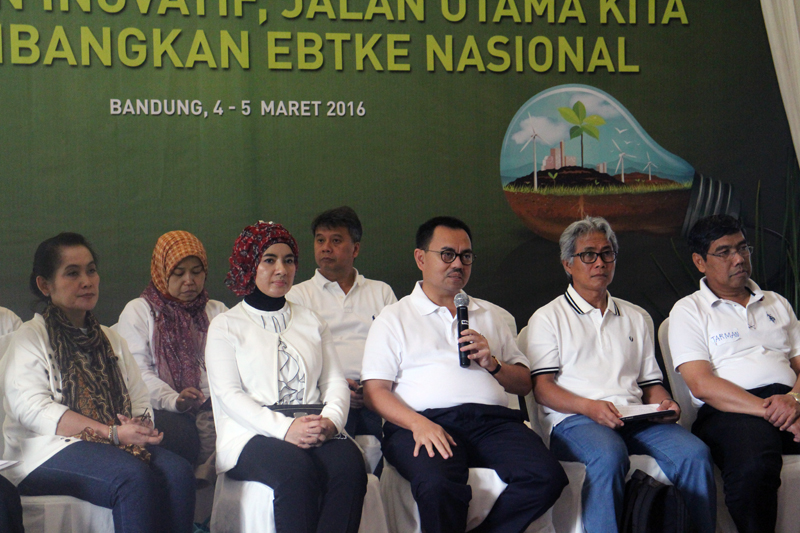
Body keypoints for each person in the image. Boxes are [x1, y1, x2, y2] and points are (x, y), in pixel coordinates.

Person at [362, 216, 567, 533]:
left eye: (465, 256)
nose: (458, 264)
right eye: (447, 254)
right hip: (424, 421)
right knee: (438, 484)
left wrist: (493, 363)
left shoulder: (492, 314)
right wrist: (418, 424)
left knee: (547, 476)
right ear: (421, 258)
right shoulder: (394, 317)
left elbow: (524, 383)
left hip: (493, 424)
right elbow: (375, 392)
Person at [524, 216, 716, 533]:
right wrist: (590, 407)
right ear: (568, 264)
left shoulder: (636, 317)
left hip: (636, 417)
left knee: (695, 454)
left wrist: (666, 404)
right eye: (588, 255)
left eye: (607, 253)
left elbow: (650, 384)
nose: (600, 262)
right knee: (609, 455)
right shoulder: (548, 318)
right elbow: (543, 389)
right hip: (575, 420)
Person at [2, 232, 195, 533]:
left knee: (178, 473)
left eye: (91, 270)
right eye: (72, 273)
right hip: (42, 450)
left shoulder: (111, 338)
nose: (87, 281)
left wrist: (139, 426)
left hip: (115, 443)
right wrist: (112, 433)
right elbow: (33, 410)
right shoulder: (30, 338)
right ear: (45, 285)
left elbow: (139, 397)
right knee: (132, 477)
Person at [206, 221, 367, 533]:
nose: (281, 269)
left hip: (313, 424)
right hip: (251, 433)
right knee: (296, 471)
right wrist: (286, 429)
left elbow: (333, 382)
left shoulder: (311, 321)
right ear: (248, 265)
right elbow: (229, 395)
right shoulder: (226, 325)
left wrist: (332, 421)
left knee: (349, 468)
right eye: (269, 260)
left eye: (289, 260)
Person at [669, 214, 800, 533]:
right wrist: (774, 412)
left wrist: (794, 400)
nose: (739, 259)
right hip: (730, 410)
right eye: (724, 251)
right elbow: (701, 384)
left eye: (742, 248)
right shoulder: (688, 310)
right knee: (753, 464)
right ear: (700, 261)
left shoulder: (777, 303)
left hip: (789, 400)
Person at [116, 230, 227, 476]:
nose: (189, 280)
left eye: (196, 272)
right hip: (162, 406)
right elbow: (137, 375)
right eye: (178, 273)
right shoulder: (139, 312)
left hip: (216, 405)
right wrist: (174, 400)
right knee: (181, 435)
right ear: (161, 272)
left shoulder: (217, 311)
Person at [287, 206, 396, 447]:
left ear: (355, 249)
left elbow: (398, 350)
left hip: (377, 391)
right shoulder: (297, 296)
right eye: (320, 240)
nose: (326, 247)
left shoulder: (381, 292)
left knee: (386, 439)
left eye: (336, 240)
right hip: (323, 395)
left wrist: (373, 387)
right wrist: (338, 384)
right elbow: (294, 358)